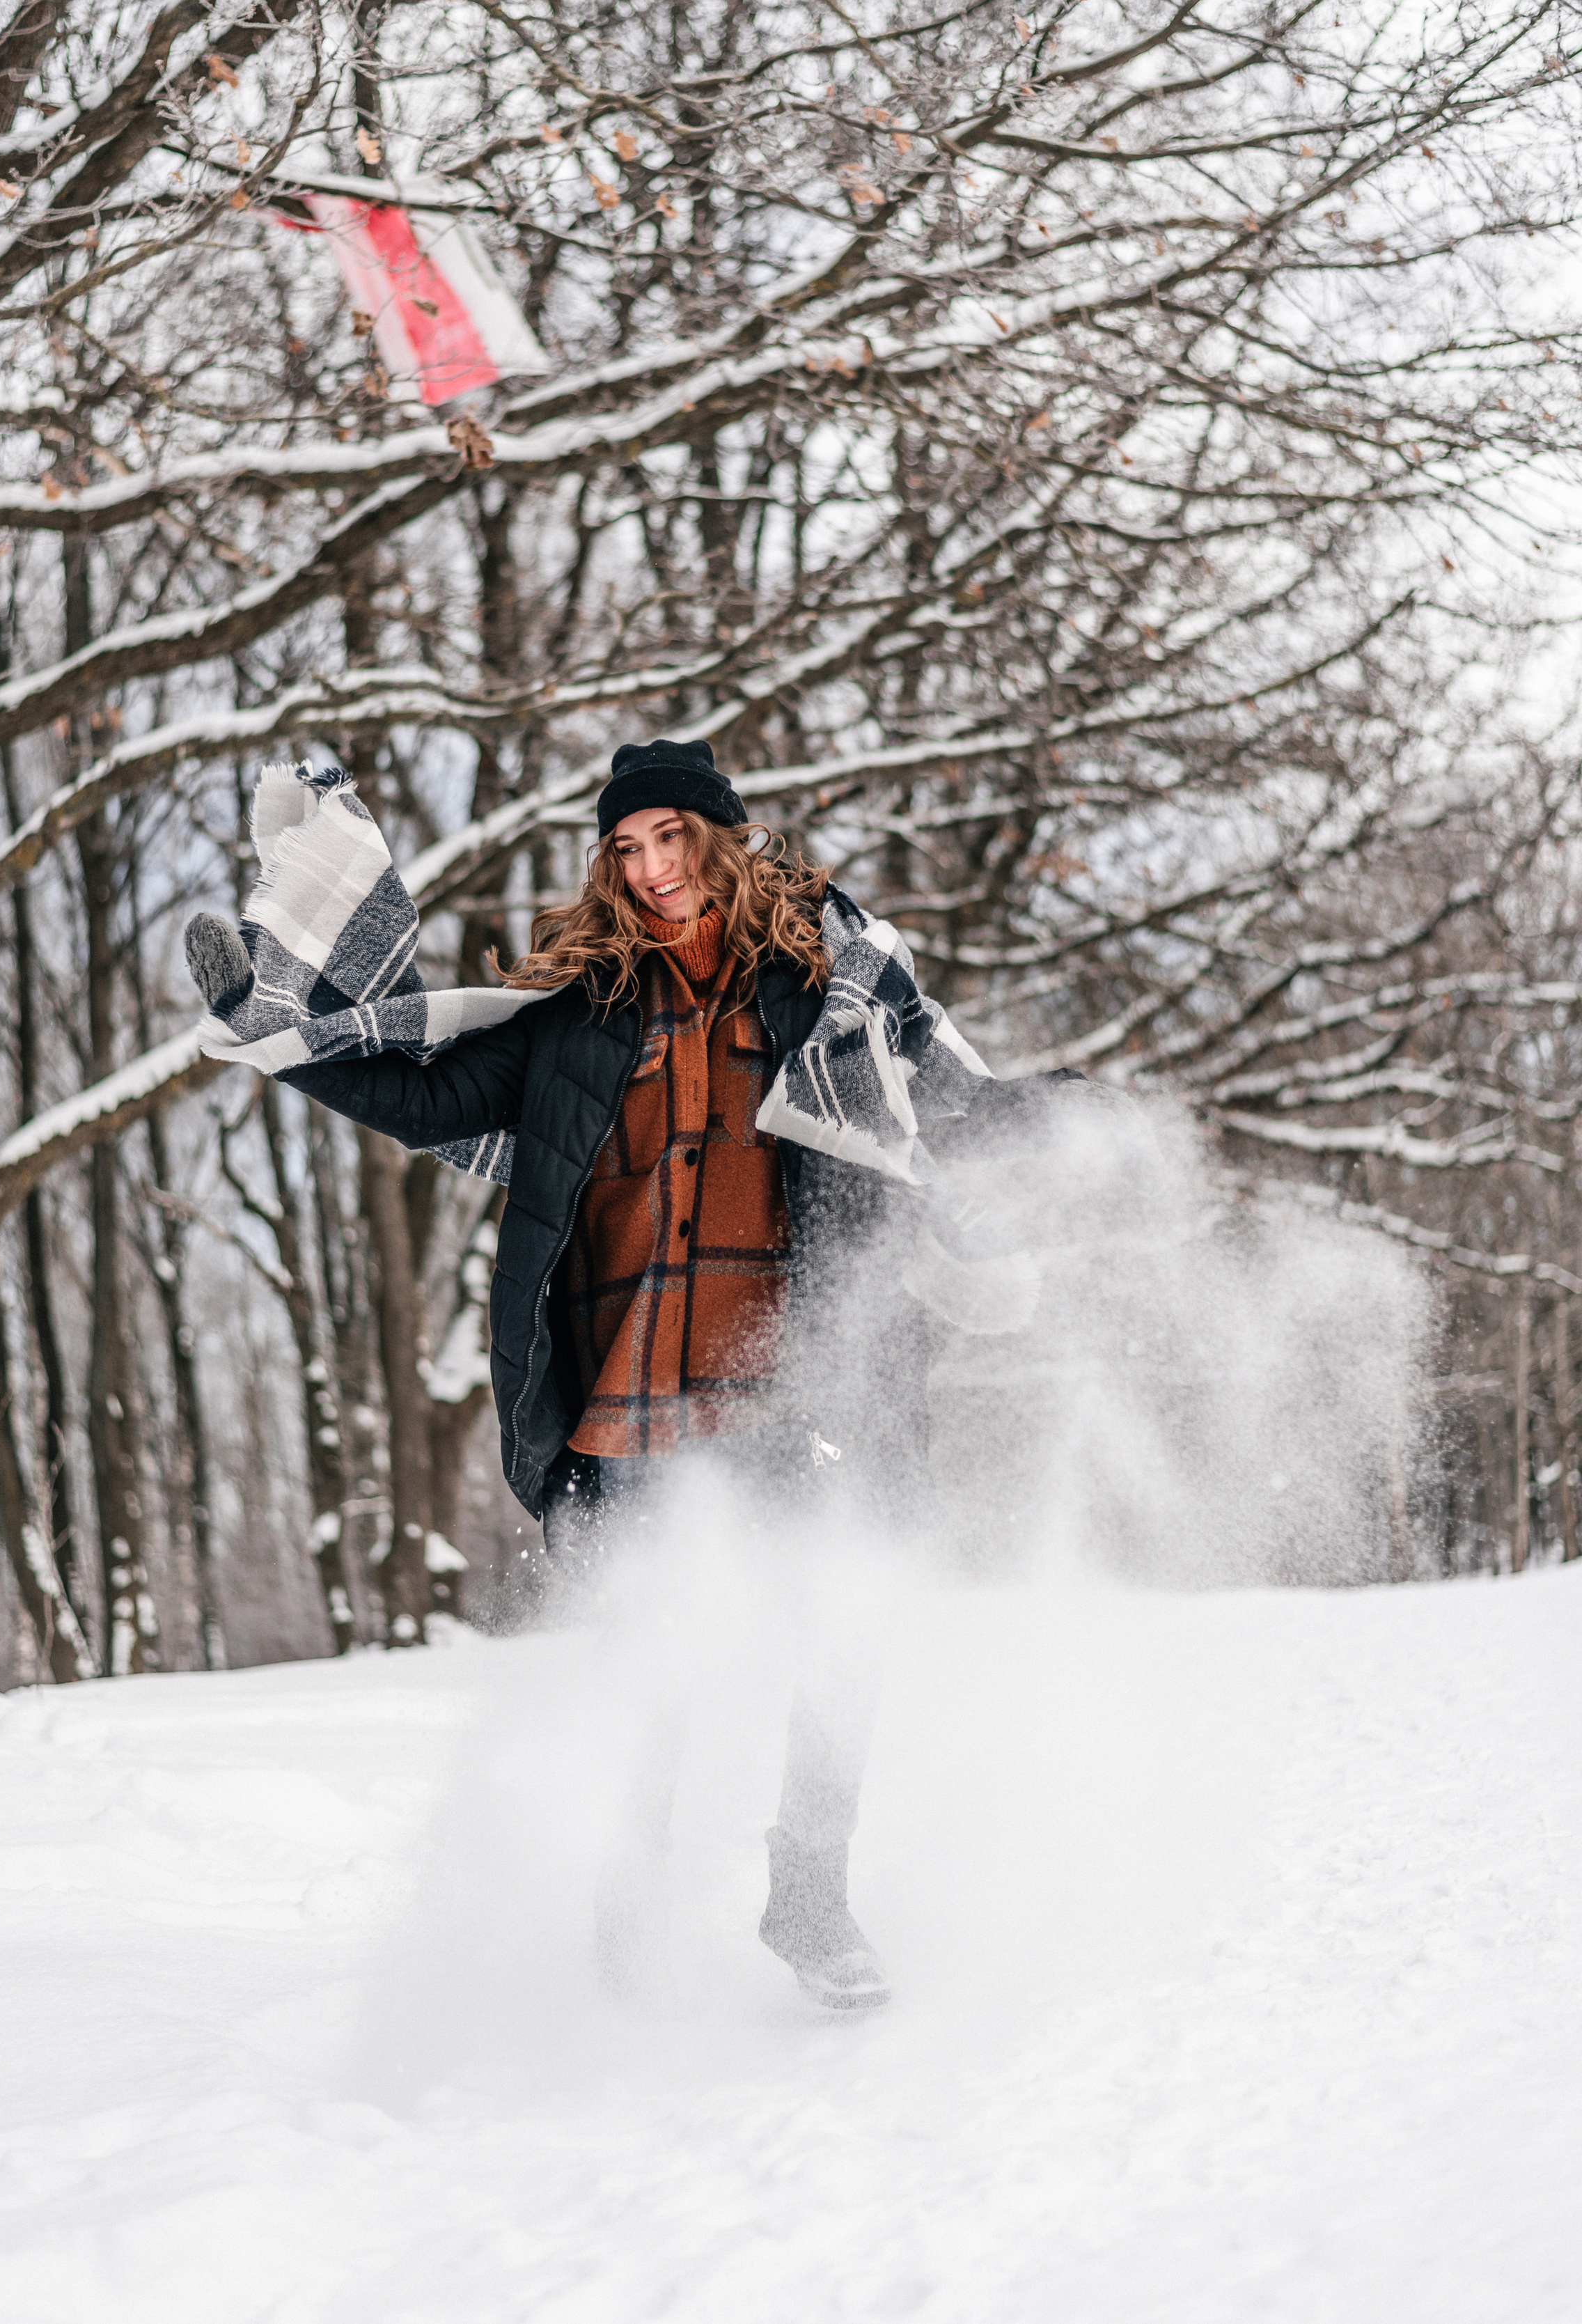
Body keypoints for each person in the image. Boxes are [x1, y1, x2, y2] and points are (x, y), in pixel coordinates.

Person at [186, 737, 1074, 2011]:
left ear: (721, 839)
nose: (652, 868)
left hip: (797, 1394)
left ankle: (811, 1896)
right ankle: (629, 1932)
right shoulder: (582, 1018)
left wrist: (1080, 1118)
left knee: (839, 1640)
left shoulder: (825, 995)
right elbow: (427, 1095)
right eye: (627, 847)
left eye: (673, 838)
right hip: (634, 1407)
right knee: (648, 1674)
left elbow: (952, 1107)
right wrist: (288, 1040)